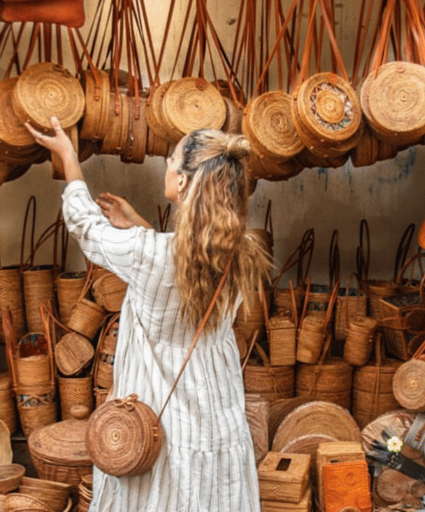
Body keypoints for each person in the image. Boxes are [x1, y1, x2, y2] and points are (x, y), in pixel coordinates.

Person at [26, 117, 271, 512]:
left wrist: (69, 159)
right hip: (215, 406)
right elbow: (183, 264)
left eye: (172, 160)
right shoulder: (239, 250)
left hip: (158, 411)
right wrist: (138, 224)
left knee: (160, 495)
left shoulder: (151, 254)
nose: (168, 166)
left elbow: (86, 227)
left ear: (186, 182)